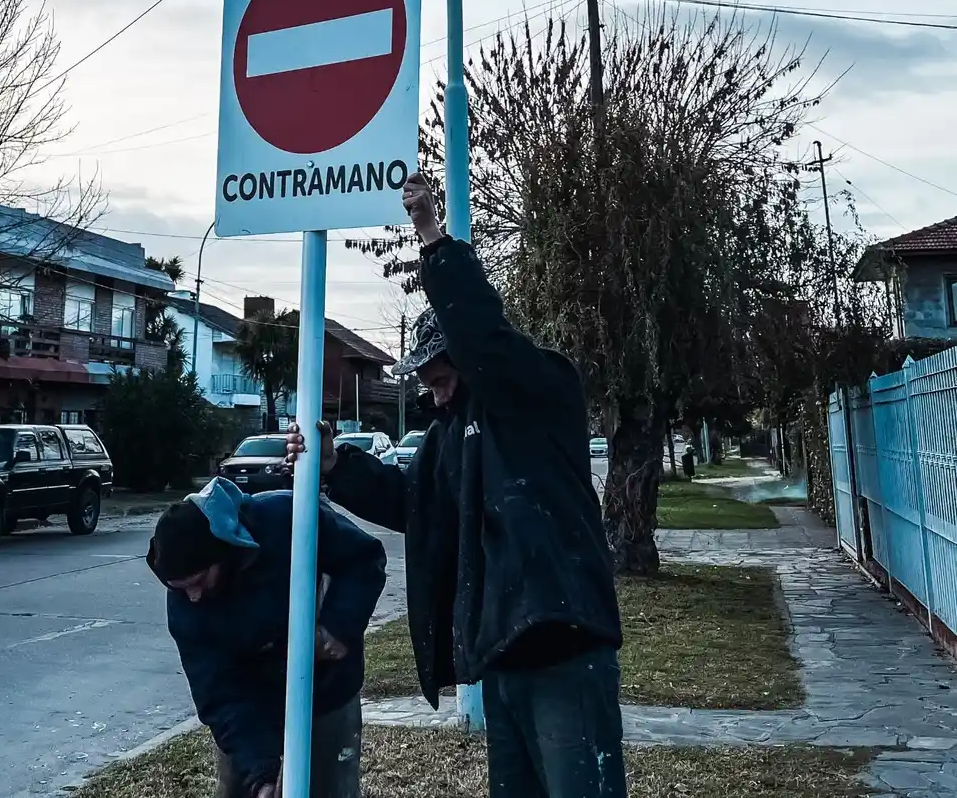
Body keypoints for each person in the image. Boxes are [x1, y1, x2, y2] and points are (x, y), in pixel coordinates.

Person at [288, 172, 626, 798]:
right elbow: (412, 502)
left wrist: (433, 239)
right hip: (501, 654)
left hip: (563, 642)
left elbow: (483, 339)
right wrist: (336, 468)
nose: (430, 388)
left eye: (441, 373)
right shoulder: (448, 437)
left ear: (468, 361)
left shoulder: (536, 390)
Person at [147, 478, 387, 798]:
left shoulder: (285, 518)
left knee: (331, 787)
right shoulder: (185, 604)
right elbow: (218, 692)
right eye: (180, 588)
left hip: (325, 685)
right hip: (251, 698)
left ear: (223, 552)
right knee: (246, 786)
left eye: (198, 581)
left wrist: (338, 626)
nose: (192, 596)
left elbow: (363, 558)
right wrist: (260, 772)